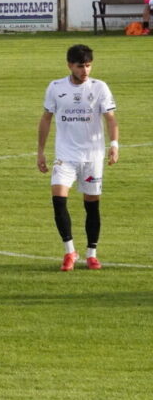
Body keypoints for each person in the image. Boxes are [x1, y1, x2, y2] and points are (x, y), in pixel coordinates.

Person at [37, 44, 118, 271]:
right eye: (81, 66)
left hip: (92, 156)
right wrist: (41, 151)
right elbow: (46, 119)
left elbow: (110, 118)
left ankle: (92, 253)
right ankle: (69, 251)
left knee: (91, 205)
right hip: (66, 155)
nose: (85, 71)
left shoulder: (100, 87)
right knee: (58, 197)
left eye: (89, 66)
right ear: (70, 65)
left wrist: (114, 145)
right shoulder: (55, 87)